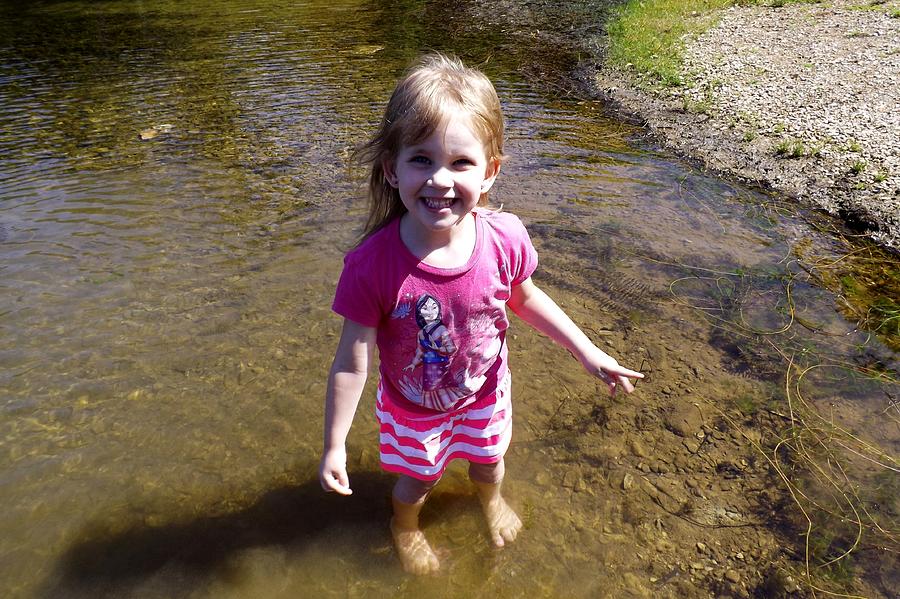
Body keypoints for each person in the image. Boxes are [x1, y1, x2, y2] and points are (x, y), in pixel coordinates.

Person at [319, 52, 643, 575]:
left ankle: (490, 501)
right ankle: (405, 527)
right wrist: (335, 445)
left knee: (490, 462)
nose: (440, 180)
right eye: (420, 160)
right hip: (413, 406)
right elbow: (352, 362)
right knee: (417, 481)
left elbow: (526, 298)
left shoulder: (505, 238)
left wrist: (587, 351)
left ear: (490, 172)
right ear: (390, 166)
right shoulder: (370, 266)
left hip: (485, 389)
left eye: (460, 163)